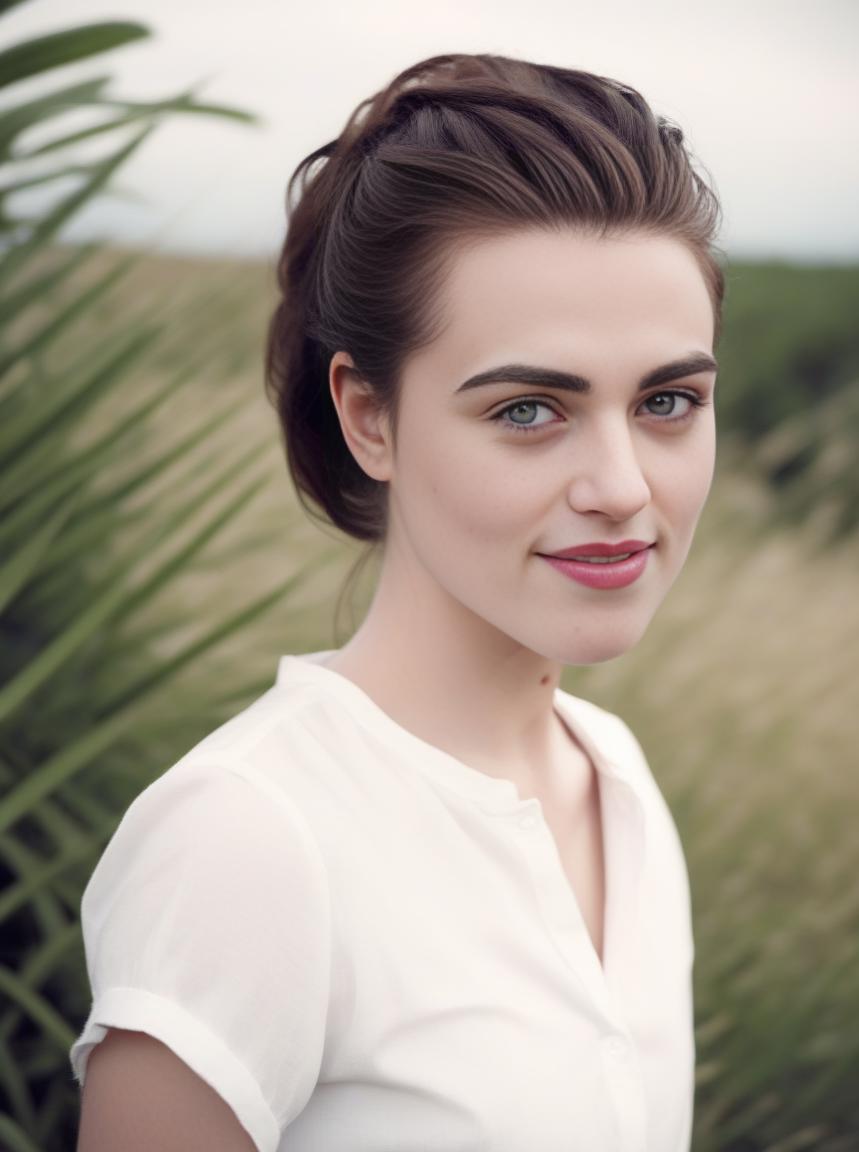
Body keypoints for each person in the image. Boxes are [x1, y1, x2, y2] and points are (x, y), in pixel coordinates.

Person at [71, 52, 724, 1152]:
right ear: (368, 417)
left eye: (666, 400)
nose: (621, 487)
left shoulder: (615, 781)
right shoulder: (248, 838)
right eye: (527, 410)